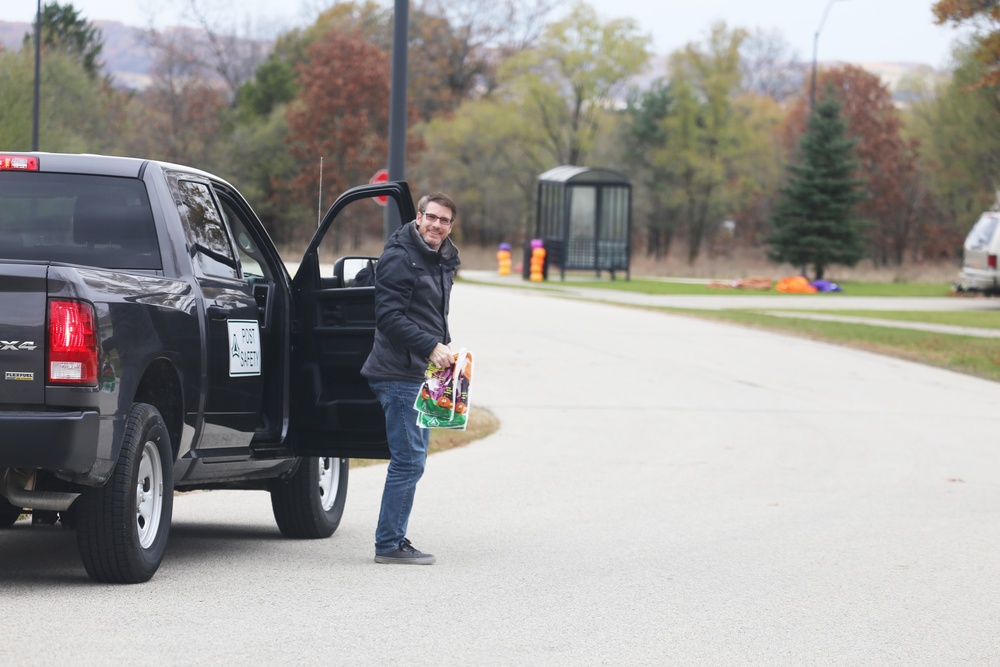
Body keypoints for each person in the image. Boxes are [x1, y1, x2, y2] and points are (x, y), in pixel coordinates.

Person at [361, 192, 461, 565]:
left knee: (412, 457)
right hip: (397, 371)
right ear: (419, 217)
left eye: (444, 220)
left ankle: (392, 538)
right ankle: (389, 544)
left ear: (451, 225)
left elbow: (428, 313)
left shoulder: (441, 258)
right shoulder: (400, 258)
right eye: (431, 217)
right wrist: (430, 346)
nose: (437, 225)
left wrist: (445, 354)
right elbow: (388, 317)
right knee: (409, 460)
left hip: (422, 371)